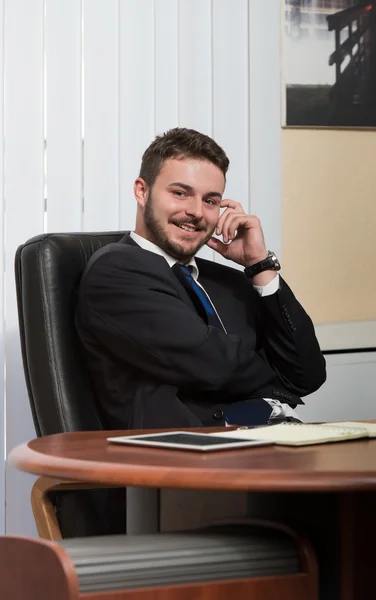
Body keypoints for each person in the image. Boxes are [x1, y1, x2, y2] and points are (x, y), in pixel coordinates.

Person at [76, 127, 326, 430]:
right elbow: (214, 365)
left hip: (276, 440)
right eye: (180, 193)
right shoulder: (116, 270)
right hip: (193, 456)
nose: (196, 212)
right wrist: (277, 377)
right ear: (142, 191)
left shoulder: (226, 282)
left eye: (210, 201)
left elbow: (307, 374)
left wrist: (259, 266)